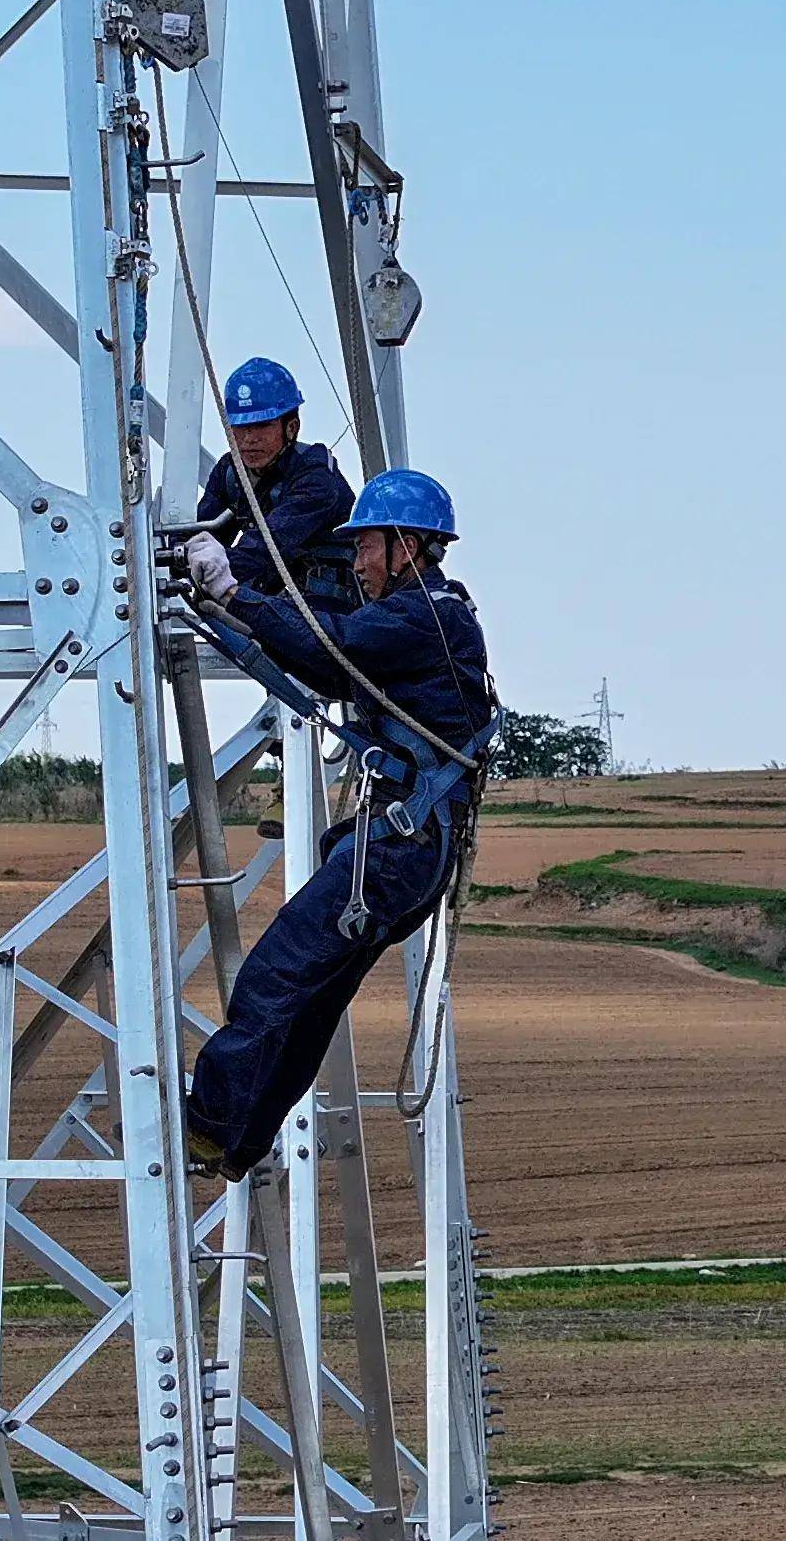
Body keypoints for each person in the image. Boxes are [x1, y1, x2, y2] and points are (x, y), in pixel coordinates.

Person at [183, 468, 496, 1178]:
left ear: (408, 546)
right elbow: (325, 670)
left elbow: (331, 646)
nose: (356, 562)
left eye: (367, 547)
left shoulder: (424, 616)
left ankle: (207, 1123)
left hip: (393, 848)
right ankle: (233, 1140)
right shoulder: (428, 619)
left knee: (274, 979)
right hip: (405, 850)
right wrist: (233, 616)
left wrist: (234, 590)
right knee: (309, 1001)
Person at [178, 357, 355, 608]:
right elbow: (200, 536)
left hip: (330, 613)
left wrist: (209, 571)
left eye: (262, 425)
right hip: (273, 605)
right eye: (240, 426)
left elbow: (269, 546)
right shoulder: (230, 472)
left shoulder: (316, 477)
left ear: (291, 427)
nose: (249, 439)